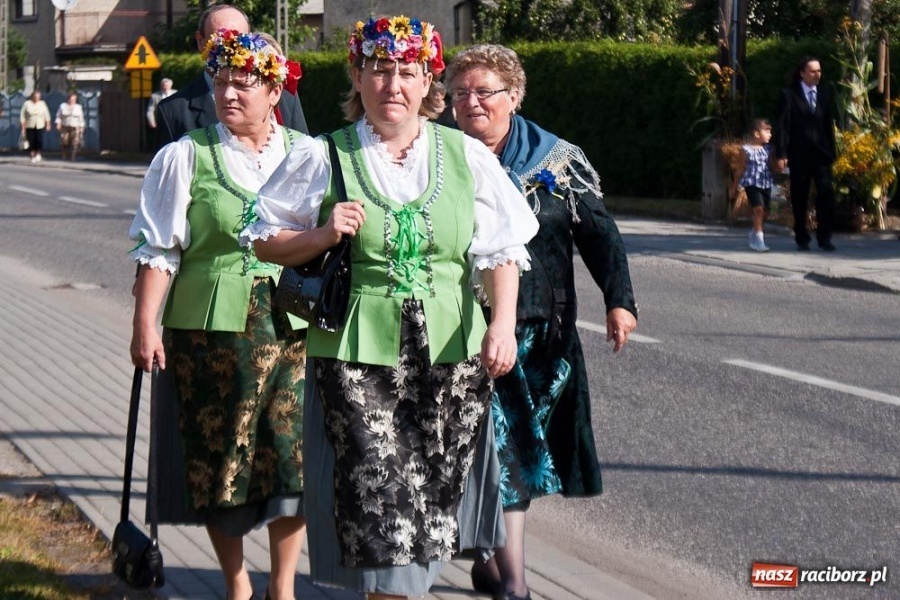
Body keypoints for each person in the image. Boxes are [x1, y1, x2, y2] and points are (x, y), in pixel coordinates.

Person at [243, 16, 539, 600]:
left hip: (452, 352)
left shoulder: (463, 154)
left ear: (428, 81)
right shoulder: (324, 153)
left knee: (431, 498)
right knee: (378, 503)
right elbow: (262, 237)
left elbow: (501, 248)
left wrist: (501, 324)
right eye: (379, 71)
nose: (392, 85)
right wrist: (324, 234)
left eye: (407, 71)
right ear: (358, 75)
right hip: (356, 356)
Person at [445, 44, 638, 600]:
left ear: (514, 96)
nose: (472, 103)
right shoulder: (434, 157)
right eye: (461, 93)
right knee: (466, 453)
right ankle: (486, 552)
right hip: (452, 330)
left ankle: (514, 581)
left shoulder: (555, 159)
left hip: (536, 334)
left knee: (511, 454)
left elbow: (600, 235)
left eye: (485, 92)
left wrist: (619, 301)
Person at [128, 30, 307, 600]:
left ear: (274, 88)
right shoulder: (184, 155)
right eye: (221, 80)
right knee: (219, 455)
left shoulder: (307, 154)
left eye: (244, 82)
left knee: (291, 460)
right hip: (208, 332)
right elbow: (160, 250)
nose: (228, 92)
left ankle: (282, 587)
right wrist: (145, 324)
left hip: (292, 328)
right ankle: (237, 585)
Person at [155, 4, 308, 148]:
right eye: (220, 41)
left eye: (240, 40)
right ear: (201, 42)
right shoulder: (173, 111)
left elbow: (305, 162)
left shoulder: (286, 98)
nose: (231, 49)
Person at [773, 56, 837, 252]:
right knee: (800, 196)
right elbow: (783, 126)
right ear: (802, 73)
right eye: (813, 71)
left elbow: (828, 125)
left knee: (826, 194)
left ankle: (824, 237)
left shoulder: (826, 93)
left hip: (821, 155)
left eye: (819, 71)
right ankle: (802, 236)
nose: (817, 75)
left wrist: (832, 151)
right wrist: (781, 153)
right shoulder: (789, 94)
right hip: (799, 154)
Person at [731, 118, 774, 252]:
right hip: (752, 183)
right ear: (756, 134)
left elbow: (773, 165)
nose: (770, 135)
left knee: (765, 212)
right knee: (758, 209)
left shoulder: (769, 149)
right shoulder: (746, 150)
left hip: (766, 183)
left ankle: (755, 231)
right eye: (767, 131)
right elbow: (741, 168)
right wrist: (734, 186)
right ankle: (760, 242)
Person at [20, 90, 51, 163]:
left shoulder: (42, 103)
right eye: (35, 97)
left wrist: (48, 124)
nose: (37, 98)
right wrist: (22, 126)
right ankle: (32, 155)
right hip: (29, 125)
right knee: (31, 140)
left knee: (39, 140)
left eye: (38, 97)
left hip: (40, 125)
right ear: (32, 97)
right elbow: (22, 116)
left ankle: (38, 153)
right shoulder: (27, 104)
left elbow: (47, 114)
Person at [55, 92, 86, 162]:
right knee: (64, 141)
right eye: (71, 99)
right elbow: (58, 116)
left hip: (75, 127)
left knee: (75, 142)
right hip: (65, 127)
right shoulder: (62, 106)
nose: (72, 101)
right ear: (68, 99)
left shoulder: (78, 107)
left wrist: (82, 127)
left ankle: (73, 156)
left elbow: (81, 118)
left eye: (74, 99)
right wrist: (58, 124)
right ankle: (64, 154)